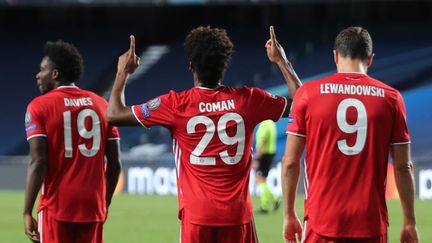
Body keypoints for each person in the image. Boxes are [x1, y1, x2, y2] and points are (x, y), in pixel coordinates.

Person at [107, 26, 301, 242]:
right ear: (224, 66)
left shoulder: (175, 105)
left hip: (197, 218)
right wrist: (282, 62)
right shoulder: (250, 100)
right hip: (238, 217)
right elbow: (302, 104)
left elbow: (114, 114)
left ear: (191, 66)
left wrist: (122, 73)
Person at [282, 26, 419, 243]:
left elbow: (290, 162)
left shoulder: (307, 94)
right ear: (370, 58)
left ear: (335, 56)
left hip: (322, 221)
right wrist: (409, 221)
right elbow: (403, 167)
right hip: (370, 223)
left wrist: (289, 214)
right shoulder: (391, 98)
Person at [23, 40, 121, 243]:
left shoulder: (39, 107)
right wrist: (105, 202)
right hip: (92, 208)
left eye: (42, 70)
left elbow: (38, 162)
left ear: (55, 74)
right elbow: (114, 165)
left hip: (56, 207)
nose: (37, 75)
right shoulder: (102, 105)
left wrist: (26, 211)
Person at [254, 119, 280, 214]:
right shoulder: (271, 124)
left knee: (259, 180)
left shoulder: (264, 125)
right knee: (262, 180)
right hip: (270, 154)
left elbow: (262, 141)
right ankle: (271, 201)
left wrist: (257, 158)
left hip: (264, 155)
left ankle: (268, 203)